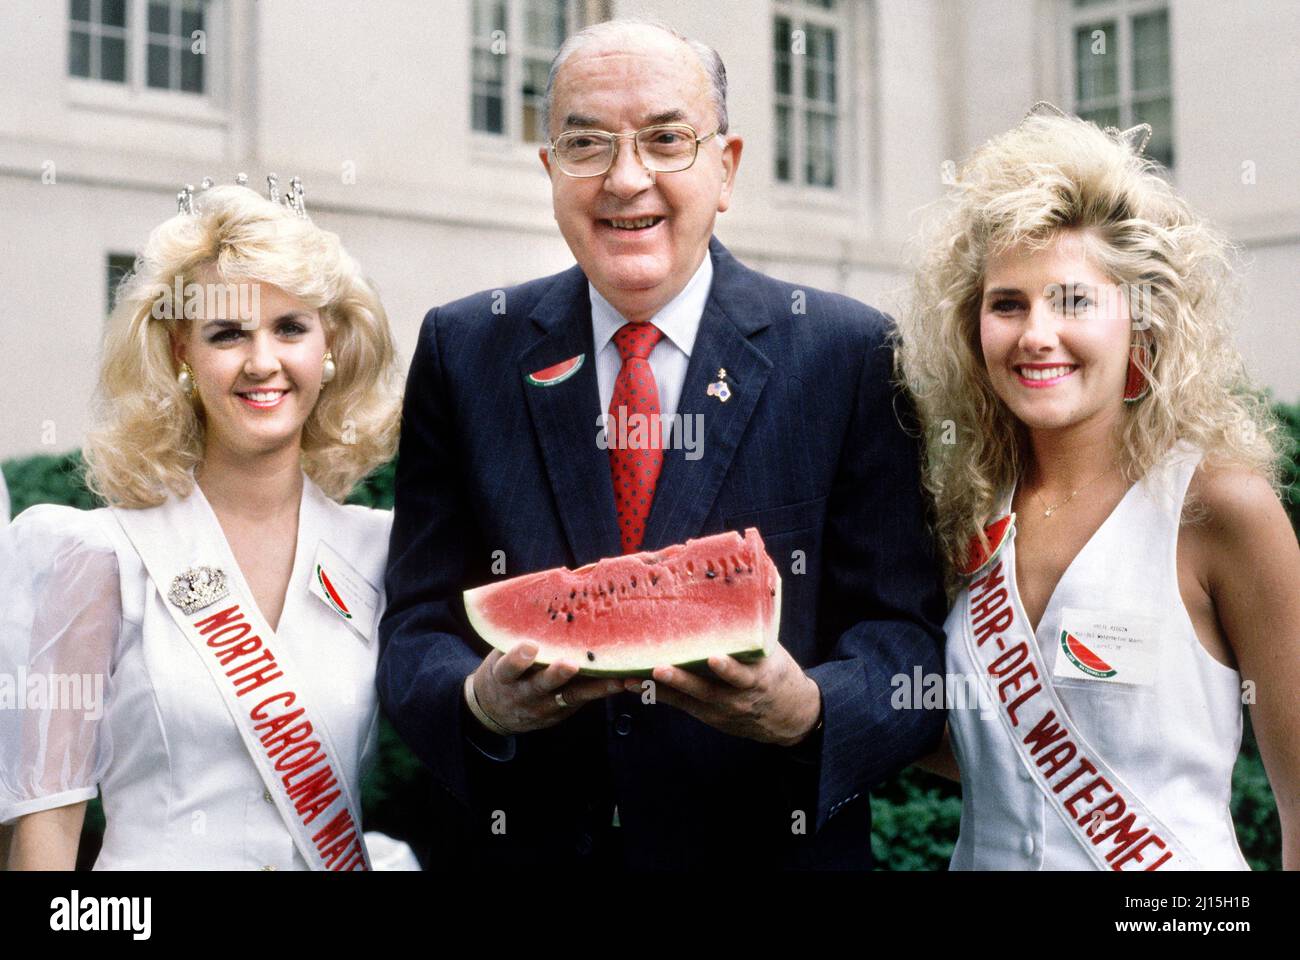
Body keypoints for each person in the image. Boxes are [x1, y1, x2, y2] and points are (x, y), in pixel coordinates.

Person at [378, 18, 946, 870]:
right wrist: (476, 702)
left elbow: (905, 639)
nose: (626, 177)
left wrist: (812, 710)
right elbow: (417, 620)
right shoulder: (465, 350)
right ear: (549, 172)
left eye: (667, 139)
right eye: (586, 144)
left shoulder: (848, 355)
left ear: (728, 168)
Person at [898, 106, 1300, 870]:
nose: (1036, 334)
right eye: (1007, 303)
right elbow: (992, 743)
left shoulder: (1218, 509)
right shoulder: (962, 506)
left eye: (1074, 300)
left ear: (1139, 322)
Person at [0, 179, 406, 869]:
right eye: (227, 333)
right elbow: (45, 841)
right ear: (182, 354)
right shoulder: (99, 557)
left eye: (289, 327)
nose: (262, 362)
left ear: (329, 343)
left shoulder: (382, 549)